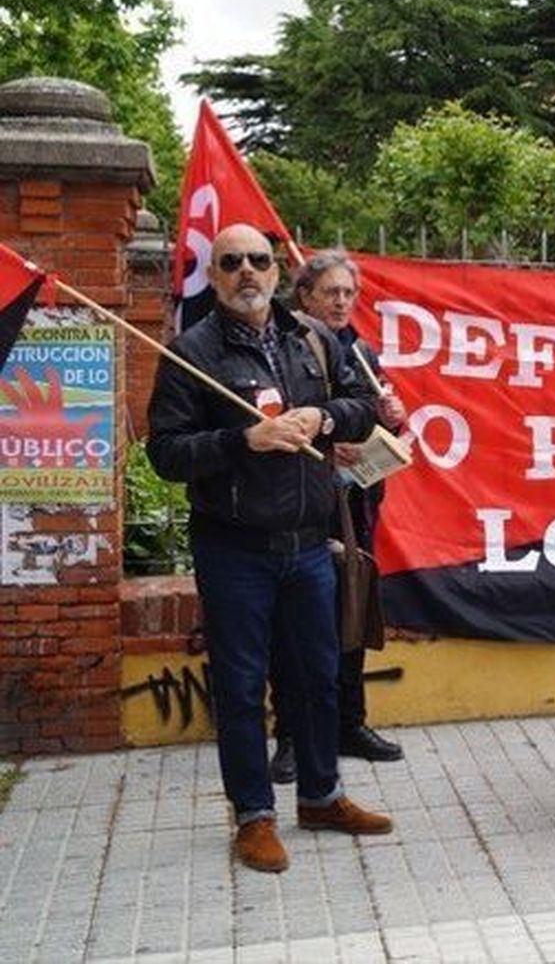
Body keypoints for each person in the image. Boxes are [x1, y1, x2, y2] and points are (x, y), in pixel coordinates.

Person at [148, 225, 394, 874]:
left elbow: (364, 406)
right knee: (239, 687)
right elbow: (165, 453)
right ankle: (254, 815)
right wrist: (242, 441)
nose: (247, 272)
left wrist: (324, 418)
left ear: (276, 272)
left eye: (258, 260)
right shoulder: (191, 352)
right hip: (234, 550)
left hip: (310, 545)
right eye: (231, 262)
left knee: (317, 678)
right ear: (214, 275)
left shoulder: (309, 339)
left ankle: (321, 796)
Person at [269, 251, 406, 783]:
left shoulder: (361, 351)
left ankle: (350, 724)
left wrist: (393, 419)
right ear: (304, 295)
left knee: (352, 609)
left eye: (349, 293)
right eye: (331, 292)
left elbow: (377, 421)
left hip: (354, 505)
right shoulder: (282, 348)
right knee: (293, 623)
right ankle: (290, 735)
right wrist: (329, 442)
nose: (342, 302)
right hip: (302, 505)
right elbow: (275, 421)